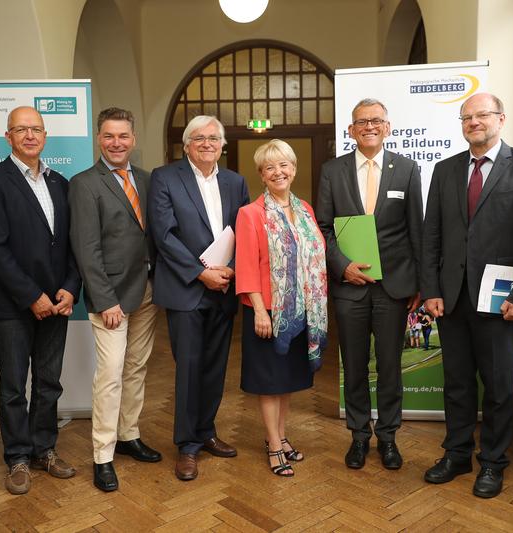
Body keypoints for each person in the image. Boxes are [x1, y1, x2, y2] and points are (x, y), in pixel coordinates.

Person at [420, 93, 513, 498]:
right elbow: (432, 236)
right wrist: (431, 290)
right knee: (456, 383)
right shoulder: (445, 170)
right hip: (453, 299)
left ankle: (493, 463)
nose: (474, 122)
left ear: (501, 119)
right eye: (467, 117)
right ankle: (457, 454)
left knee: (497, 387)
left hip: (501, 303)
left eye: (482, 115)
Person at [0, 106, 81, 495]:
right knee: (14, 386)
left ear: (45, 135)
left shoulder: (60, 184)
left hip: (58, 303)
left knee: (49, 382)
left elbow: (71, 244)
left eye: (36, 129)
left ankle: (44, 449)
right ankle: (17, 457)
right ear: (8, 137)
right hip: (13, 304)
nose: (30, 135)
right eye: (22, 129)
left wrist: (69, 287)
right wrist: (32, 295)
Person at [316, 98, 423, 471]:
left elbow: (416, 230)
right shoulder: (332, 171)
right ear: (351, 130)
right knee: (355, 365)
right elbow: (324, 229)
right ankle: (359, 436)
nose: (369, 127)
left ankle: (389, 438)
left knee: (391, 365)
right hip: (351, 287)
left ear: (388, 127)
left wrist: (420, 284)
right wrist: (343, 267)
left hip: (394, 287)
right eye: (362, 122)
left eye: (376, 120)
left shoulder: (408, 170)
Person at [147, 115, 250, 481]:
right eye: (199, 138)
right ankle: (187, 445)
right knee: (189, 368)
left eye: (214, 138)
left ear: (222, 145)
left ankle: (206, 431)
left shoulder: (235, 181)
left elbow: (245, 230)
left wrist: (232, 270)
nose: (207, 143)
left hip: (223, 288)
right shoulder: (165, 177)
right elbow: (164, 235)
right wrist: (200, 272)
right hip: (186, 288)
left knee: (215, 366)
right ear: (187, 144)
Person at [68, 107, 160, 493]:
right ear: (98, 139)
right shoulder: (85, 183)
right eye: (109, 136)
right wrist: (104, 299)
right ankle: (102, 455)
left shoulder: (146, 178)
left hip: (147, 292)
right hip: (110, 299)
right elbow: (86, 248)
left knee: (136, 368)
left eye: (123, 136)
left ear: (133, 140)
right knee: (109, 376)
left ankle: (128, 435)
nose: (116, 143)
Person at [235, 140, 328, 477]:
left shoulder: (305, 209)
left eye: (284, 165)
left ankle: (282, 435)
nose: (278, 172)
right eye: (270, 167)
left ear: (294, 168)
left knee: (287, 381)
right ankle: (274, 444)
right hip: (268, 311)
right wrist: (259, 311)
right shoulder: (250, 214)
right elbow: (245, 266)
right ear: (261, 174)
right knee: (270, 382)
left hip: (300, 310)